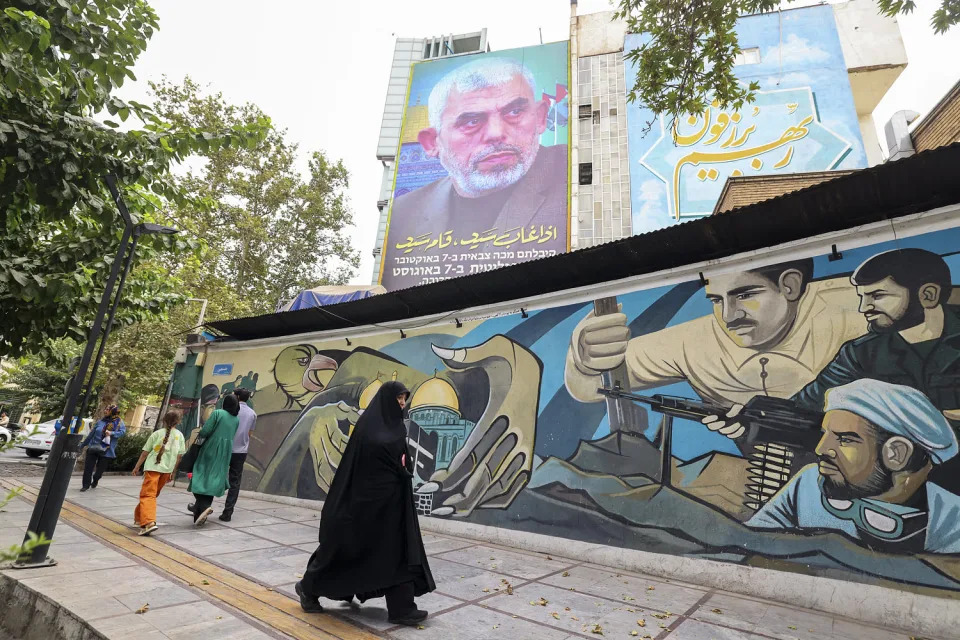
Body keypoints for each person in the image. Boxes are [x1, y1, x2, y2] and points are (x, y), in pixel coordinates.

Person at [565, 260, 866, 411]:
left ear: (789, 286)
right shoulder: (693, 343)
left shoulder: (858, 307)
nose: (728, 316)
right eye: (717, 300)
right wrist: (583, 358)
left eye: (745, 295)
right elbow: (591, 386)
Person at [747, 379, 960, 553]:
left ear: (896, 454)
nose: (821, 449)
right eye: (825, 435)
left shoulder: (953, 523)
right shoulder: (808, 485)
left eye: (844, 439)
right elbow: (752, 544)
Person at [386, 57, 567, 257]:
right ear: (432, 142)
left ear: (540, 118)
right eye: (472, 122)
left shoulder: (573, 175)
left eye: (514, 112)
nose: (496, 133)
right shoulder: (403, 216)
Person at [295, 380, 435, 626]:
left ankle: (402, 608)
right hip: (364, 509)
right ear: (385, 399)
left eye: (404, 398)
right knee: (346, 552)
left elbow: (401, 463)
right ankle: (308, 587)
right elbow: (365, 469)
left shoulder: (395, 428)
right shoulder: (369, 430)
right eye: (398, 398)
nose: (402, 403)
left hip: (392, 507)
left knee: (397, 552)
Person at [792, 249, 960, 423]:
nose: (864, 308)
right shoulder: (859, 353)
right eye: (862, 297)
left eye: (877, 295)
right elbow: (806, 404)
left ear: (928, 295)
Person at [131, 410, 186, 536]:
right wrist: (173, 471)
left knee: (148, 495)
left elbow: (145, 452)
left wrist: (137, 467)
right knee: (151, 495)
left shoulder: (157, 434)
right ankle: (139, 518)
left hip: (152, 468)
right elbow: (179, 457)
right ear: (178, 422)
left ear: (164, 420)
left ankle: (149, 523)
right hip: (166, 470)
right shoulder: (180, 436)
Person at [188, 394, 240, 526]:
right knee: (213, 479)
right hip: (225, 452)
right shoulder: (236, 419)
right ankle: (200, 510)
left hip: (211, 447)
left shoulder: (218, 413)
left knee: (199, 474)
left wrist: (196, 445)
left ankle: (202, 506)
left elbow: (205, 431)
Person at [220, 388, 257, 522]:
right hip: (241, 451)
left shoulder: (228, 411)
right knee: (234, 482)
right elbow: (250, 434)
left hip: (225, 448)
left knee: (215, 475)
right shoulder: (252, 414)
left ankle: (203, 506)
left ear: (236, 396)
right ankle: (228, 512)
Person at [79, 405, 126, 492]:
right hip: (93, 447)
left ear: (113, 411)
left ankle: (95, 479)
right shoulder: (101, 422)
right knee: (88, 468)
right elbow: (91, 435)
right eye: (106, 409)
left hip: (106, 450)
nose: (105, 411)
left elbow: (122, 432)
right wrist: (82, 445)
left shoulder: (119, 422)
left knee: (99, 472)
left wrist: (111, 433)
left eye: (108, 409)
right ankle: (85, 485)